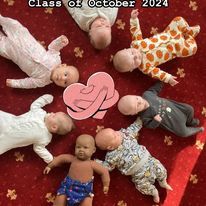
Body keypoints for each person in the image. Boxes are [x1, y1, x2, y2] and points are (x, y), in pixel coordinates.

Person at [113, 9, 200, 86]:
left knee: (178, 19)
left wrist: (133, 19)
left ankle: (188, 31)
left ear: (127, 48)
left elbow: (135, 30)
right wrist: (168, 78)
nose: (136, 56)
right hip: (177, 48)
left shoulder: (136, 43)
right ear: (132, 69)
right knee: (192, 49)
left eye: (132, 53)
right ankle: (190, 36)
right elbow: (157, 73)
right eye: (134, 61)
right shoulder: (145, 67)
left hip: (170, 33)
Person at [95, 118, 172, 203]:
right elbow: (107, 166)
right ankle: (154, 192)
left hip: (149, 162)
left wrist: (139, 120)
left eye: (114, 131)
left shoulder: (125, 134)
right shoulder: (111, 156)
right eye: (115, 135)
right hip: (137, 174)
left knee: (160, 168)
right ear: (110, 147)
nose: (117, 132)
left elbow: (134, 128)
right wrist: (97, 162)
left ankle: (163, 182)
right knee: (142, 186)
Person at [0, 14, 79, 89]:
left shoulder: (43, 82)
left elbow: (29, 83)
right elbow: (53, 48)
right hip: (24, 40)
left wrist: (15, 83)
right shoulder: (56, 60)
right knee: (14, 25)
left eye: (65, 82)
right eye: (65, 74)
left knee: (2, 47)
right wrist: (60, 42)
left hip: (12, 52)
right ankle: (1, 19)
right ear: (63, 66)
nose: (62, 78)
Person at [0, 94, 74, 163]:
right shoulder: (41, 113)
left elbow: (39, 149)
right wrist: (45, 99)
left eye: (54, 115)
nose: (51, 113)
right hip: (9, 121)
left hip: (9, 140)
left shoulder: (45, 138)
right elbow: (35, 105)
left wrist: (50, 159)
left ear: (54, 127)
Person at [44, 134, 110, 206]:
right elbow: (61, 158)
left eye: (85, 147)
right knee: (59, 200)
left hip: (85, 190)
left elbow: (104, 172)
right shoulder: (73, 159)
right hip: (68, 187)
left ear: (93, 150)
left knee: (87, 202)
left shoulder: (92, 164)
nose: (81, 150)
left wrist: (106, 185)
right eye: (78, 147)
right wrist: (50, 166)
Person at [118, 82, 204, 137]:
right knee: (183, 133)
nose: (139, 102)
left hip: (177, 109)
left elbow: (155, 89)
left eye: (136, 98)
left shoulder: (147, 95)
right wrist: (155, 121)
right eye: (137, 105)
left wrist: (162, 80)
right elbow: (150, 126)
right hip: (174, 124)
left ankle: (190, 121)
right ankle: (197, 129)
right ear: (134, 113)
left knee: (189, 108)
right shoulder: (144, 117)